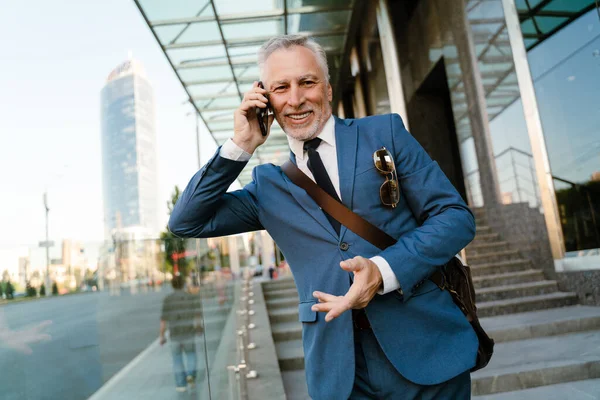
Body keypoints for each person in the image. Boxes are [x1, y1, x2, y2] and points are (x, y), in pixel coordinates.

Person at [169, 34, 478, 400]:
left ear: (328, 90)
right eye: (280, 87)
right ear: (265, 100)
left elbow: (455, 217)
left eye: (307, 82)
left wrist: (383, 270)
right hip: (339, 373)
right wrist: (241, 144)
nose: (296, 99)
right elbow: (186, 221)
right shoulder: (268, 185)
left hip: (426, 349)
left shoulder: (384, 133)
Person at [159, 275, 203, 393]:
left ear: (172, 285)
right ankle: (190, 375)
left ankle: (180, 385)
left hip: (174, 335)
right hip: (188, 332)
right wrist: (198, 326)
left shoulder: (168, 299)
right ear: (183, 284)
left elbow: (163, 320)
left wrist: (162, 336)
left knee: (177, 360)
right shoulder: (190, 297)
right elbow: (197, 314)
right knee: (191, 354)